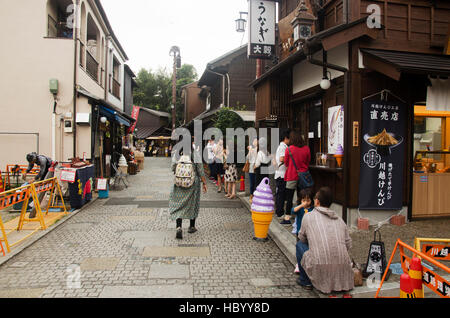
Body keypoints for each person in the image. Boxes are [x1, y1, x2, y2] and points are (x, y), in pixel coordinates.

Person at [295, 187, 354, 294]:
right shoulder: (340, 219)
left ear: (317, 201)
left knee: (299, 245)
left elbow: (302, 238)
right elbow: (348, 245)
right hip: (343, 266)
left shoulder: (308, 216)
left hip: (319, 265)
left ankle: (305, 281)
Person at [169, 143, 207, 240]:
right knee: (193, 203)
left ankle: (178, 227)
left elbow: (173, 167)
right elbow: (200, 170)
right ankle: (191, 226)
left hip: (179, 183)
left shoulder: (177, 153)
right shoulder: (195, 153)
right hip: (193, 183)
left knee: (179, 204)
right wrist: (204, 182)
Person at [282, 131, 311, 225]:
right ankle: (302, 216)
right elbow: (308, 161)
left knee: (289, 197)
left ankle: (287, 217)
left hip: (291, 175)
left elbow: (286, 163)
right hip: (303, 176)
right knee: (302, 196)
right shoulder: (306, 148)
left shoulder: (289, 149)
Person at [274, 130, 290, 218]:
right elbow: (281, 159)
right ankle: (279, 212)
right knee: (281, 194)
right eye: (289, 138)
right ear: (285, 138)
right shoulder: (283, 147)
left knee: (280, 194)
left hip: (280, 173)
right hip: (281, 174)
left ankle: (279, 211)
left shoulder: (282, 146)